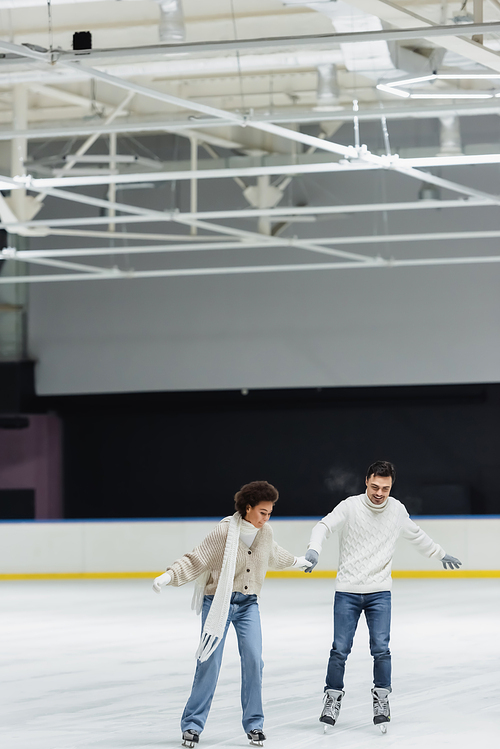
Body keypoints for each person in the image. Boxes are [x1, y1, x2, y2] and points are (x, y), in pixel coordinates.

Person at [304, 460, 462, 734]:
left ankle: (381, 699)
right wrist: (314, 549)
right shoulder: (350, 506)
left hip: (379, 593)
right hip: (347, 591)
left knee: (381, 649)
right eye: (375, 486)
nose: (379, 493)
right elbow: (323, 526)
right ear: (366, 481)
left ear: (391, 487)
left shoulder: (397, 510)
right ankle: (332, 698)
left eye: (385, 489)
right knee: (339, 649)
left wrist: (439, 553)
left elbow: (417, 536)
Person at [152, 480, 311, 748]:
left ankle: (254, 725)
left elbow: (275, 555)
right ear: (248, 508)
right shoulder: (224, 533)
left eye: (270, 512)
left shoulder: (266, 533)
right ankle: (192, 725)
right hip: (218, 603)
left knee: (253, 661)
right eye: (263, 512)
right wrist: (168, 576)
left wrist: (299, 562)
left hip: (248, 605)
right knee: (209, 662)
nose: (266, 518)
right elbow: (196, 559)